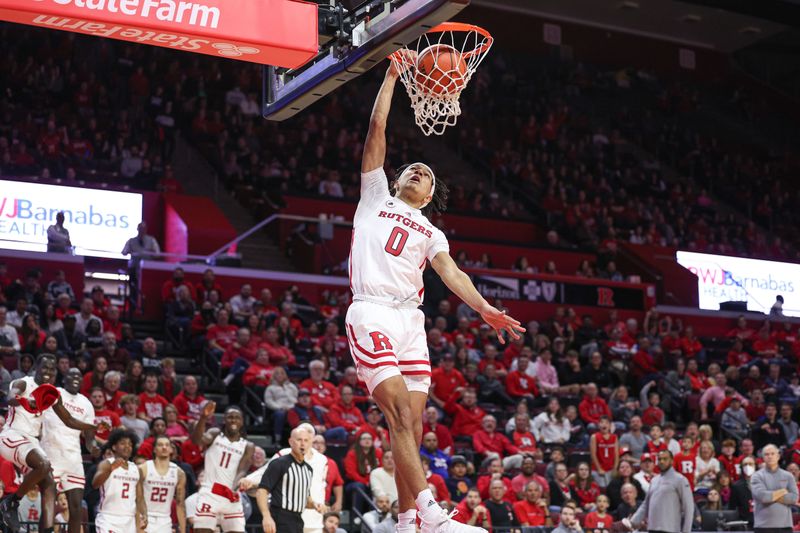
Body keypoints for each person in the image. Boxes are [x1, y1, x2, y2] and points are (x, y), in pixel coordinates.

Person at [346, 56, 525, 533]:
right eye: (412, 169)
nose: (418, 172)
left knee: (413, 425)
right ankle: (429, 511)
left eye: (425, 174)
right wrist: (390, 78)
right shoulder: (375, 197)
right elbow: (377, 129)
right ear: (398, 180)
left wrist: (485, 308)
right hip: (372, 312)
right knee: (401, 412)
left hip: (410, 321)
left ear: (428, 196)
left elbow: (452, 273)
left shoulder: (430, 230)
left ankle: (407, 522)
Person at [0, 354, 98, 532]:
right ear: (36, 367)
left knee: (49, 485)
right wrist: (25, 400)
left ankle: (45, 530)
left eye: (52, 369)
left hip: (29, 442)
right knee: (44, 465)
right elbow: (10, 397)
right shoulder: (24, 383)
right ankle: (11, 503)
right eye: (44, 367)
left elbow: (69, 420)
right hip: (12, 435)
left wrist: (93, 426)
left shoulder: (51, 393)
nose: (48, 371)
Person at [41, 367, 98, 533]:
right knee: (49, 505)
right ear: (63, 378)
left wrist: (92, 447)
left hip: (73, 458)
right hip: (51, 454)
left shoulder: (86, 403)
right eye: (71, 375)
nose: (76, 378)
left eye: (79, 376)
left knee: (76, 507)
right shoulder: (54, 392)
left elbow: (89, 436)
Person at [191, 403, 255, 533]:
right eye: (230, 417)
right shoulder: (215, 434)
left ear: (242, 421)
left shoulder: (248, 445)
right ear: (224, 420)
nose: (233, 420)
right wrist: (203, 418)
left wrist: (234, 487)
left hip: (231, 495)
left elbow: (242, 470)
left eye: (237, 417)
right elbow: (197, 440)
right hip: (210, 492)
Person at [257, 427, 324, 533]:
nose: (303, 444)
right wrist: (266, 517)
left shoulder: (308, 469)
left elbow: (304, 498)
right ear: (291, 442)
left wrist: (315, 505)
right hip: (280, 517)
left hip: (298, 519)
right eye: (299, 440)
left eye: (306, 440)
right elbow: (262, 491)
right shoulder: (279, 463)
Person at [92, 429, 148, 532]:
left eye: (130, 444)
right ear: (114, 446)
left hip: (129, 520)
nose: (127, 446)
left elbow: (139, 498)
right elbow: (95, 484)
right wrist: (110, 469)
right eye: (123, 443)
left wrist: (144, 513)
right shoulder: (107, 463)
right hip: (108, 518)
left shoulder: (136, 469)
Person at [624, 450, 693, 533]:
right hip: (652, 528)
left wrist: (686, 531)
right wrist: (633, 522)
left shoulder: (680, 480)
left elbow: (689, 508)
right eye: (659, 459)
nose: (662, 461)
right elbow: (646, 504)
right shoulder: (654, 480)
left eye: (665, 459)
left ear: (671, 461)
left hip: (670, 529)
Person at [139, 435, 187, 533]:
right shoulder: (143, 468)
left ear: (171, 450)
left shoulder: (179, 473)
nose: (164, 447)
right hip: (144, 516)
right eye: (160, 445)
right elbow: (137, 498)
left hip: (165, 519)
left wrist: (183, 530)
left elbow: (180, 504)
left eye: (167, 445)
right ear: (154, 450)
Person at [750, 444, 798, 533]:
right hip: (763, 526)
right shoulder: (756, 476)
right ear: (763, 457)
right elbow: (763, 497)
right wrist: (783, 491)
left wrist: (771, 496)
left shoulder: (788, 476)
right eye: (766, 454)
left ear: (778, 456)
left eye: (772, 453)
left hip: (785, 526)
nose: (770, 456)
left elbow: (794, 498)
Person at [730, 455, 756, 526]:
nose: (748, 466)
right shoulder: (736, 486)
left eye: (750, 464)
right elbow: (732, 507)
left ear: (755, 466)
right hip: (744, 522)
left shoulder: (763, 483)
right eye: (745, 464)